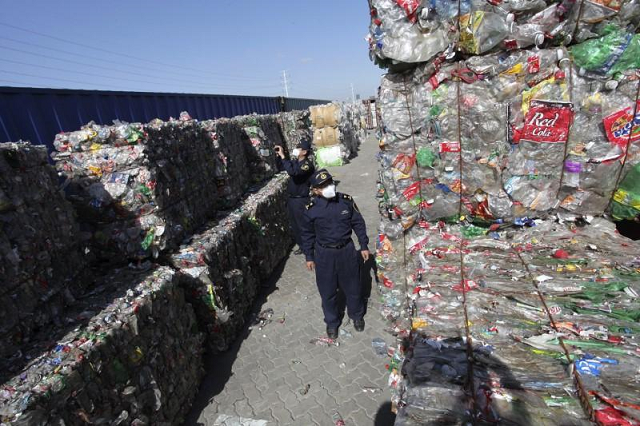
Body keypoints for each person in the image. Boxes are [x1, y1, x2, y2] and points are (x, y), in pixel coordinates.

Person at [300, 169, 370, 339]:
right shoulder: (311, 208)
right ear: (316, 190)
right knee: (328, 291)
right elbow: (306, 234)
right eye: (323, 185)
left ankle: (357, 315)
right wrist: (309, 256)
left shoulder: (346, 201)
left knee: (353, 287)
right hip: (324, 254)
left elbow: (358, 223)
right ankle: (332, 322)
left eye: (330, 182)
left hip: (347, 251)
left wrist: (363, 245)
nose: (329, 187)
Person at [275, 140, 315, 255]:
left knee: (304, 225)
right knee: (295, 225)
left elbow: (294, 172)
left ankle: (310, 247)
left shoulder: (307, 165)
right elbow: (283, 167)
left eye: (299, 148)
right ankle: (302, 246)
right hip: (292, 199)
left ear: (304, 152)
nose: (296, 150)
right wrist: (279, 156)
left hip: (301, 199)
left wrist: (283, 157)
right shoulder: (295, 162)